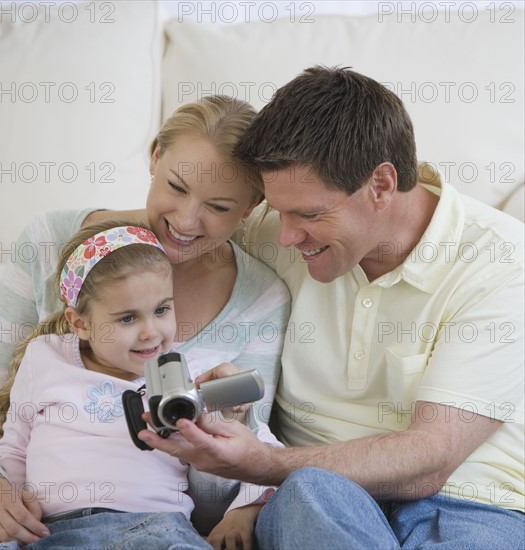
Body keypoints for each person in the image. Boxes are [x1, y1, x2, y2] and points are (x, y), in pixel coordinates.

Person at [137, 67, 525, 549]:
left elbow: (432, 457)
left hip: (469, 504)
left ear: (381, 185)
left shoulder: (502, 260)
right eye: (278, 212)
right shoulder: (280, 228)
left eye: (309, 215)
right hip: (318, 495)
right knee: (308, 495)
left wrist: (262, 463)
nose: (284, 236)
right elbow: (179, 224)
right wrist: (80, 228)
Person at [0, 96, 290, 546]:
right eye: (177, 187)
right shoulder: (48, 243)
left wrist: (224, 431)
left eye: (218, 207)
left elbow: (240, 473)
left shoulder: (261, 300)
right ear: (155, 156)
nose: (185, 221)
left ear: (251, 206)